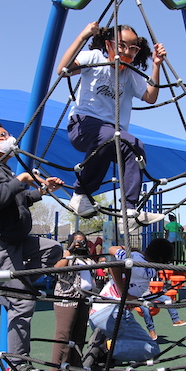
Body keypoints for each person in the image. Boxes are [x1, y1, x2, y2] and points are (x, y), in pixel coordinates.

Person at [0, 120, 65, 371]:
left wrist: (42, 190)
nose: (10, 138)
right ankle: (17, 367)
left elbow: (20, 199)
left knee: (54, 249)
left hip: (17, 243)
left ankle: (6, 290)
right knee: (23, 302)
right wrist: (21, 179)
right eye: (3, 136)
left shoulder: (3, 170)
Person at [58, 21, 167, 227]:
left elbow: (150, 96)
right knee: (115, 139)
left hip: (112, 133)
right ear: (109, 44)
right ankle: (85, 196)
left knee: (134, 147)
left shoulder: (130, 73)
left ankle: (126, 210)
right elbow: (63, 69)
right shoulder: (95, 58)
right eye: (122, 45)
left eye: (133, 48)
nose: (127, 51)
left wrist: (156, 65)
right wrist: (83, 36)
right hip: (83, 124)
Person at [82, 239, 168, 366]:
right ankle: (104, 347)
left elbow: (112, 248)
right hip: (113, 314)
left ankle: (105, 358)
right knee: (152, 350)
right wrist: (125, 295)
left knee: (124, 344)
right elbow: (113, 266)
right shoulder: (147, 270)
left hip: (96, 313)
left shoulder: (134, 256)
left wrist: (132, 250)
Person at [47, 232, 95, 371]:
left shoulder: (87, 258)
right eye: (76, 241)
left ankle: (75, 365)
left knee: (79, 333)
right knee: (63, 334)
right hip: (66, 299)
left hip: (83, 299)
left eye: (82, 241)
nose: (79, 244)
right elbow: (56, 268)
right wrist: (69, 250)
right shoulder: (67, 255)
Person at [133, 239, 186, 340]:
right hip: (138, 297)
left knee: (167, 299)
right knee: (145, 309)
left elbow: (147, 257)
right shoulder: (139, 264)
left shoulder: (151, 268)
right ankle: (152, 331)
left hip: (148, 295)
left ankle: (175, 319)